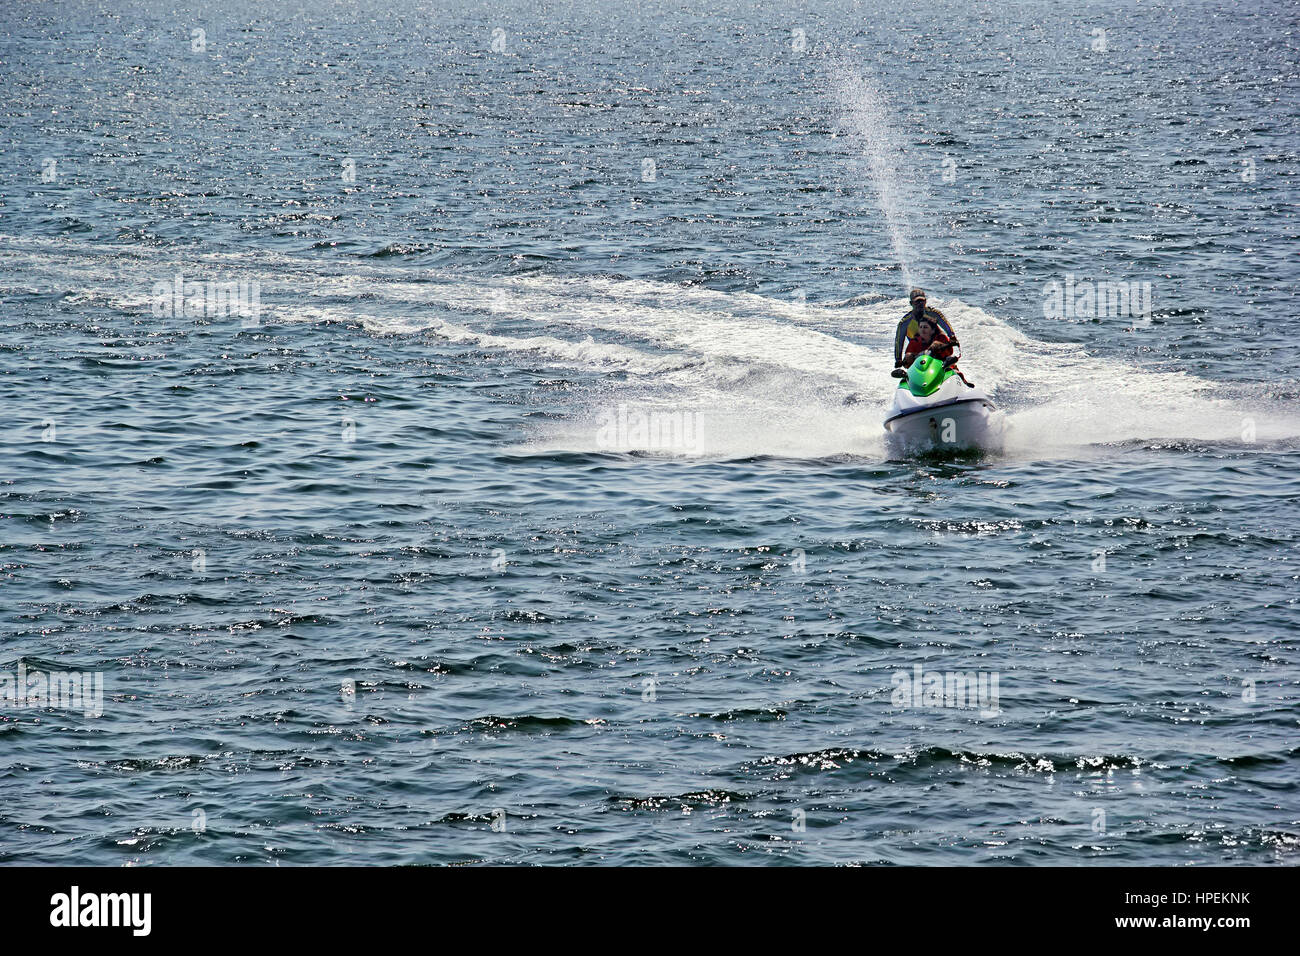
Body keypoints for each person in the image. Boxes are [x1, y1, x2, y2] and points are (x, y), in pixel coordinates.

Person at [894, 288, 957, 368]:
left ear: (925, 301)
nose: (920, 304)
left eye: (922, 301)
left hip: (937, 349)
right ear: (911, 303)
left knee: (935, 345)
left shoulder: (934, 314)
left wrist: (952, 337)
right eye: (917, 302)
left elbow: (946, 325)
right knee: (908, 357)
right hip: (918, 351)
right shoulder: (904, 323)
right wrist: (898, 359)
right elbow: (899, 342)